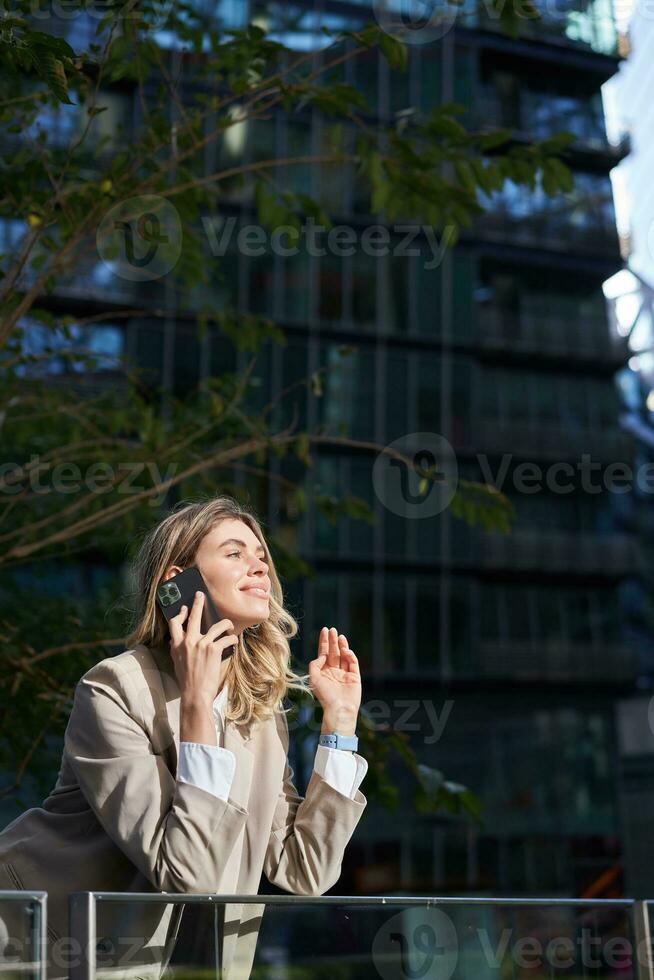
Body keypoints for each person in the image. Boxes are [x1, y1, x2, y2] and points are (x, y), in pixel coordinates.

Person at [0, 495, 368, 979]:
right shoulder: (114, 688)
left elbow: (305, 872)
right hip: (43, 950)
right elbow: (187, 875)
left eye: (261, 556)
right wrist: (196, 706)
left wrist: (339, 726)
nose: (259, 566)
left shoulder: (254, 711)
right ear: (179, 583)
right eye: (235, 553)